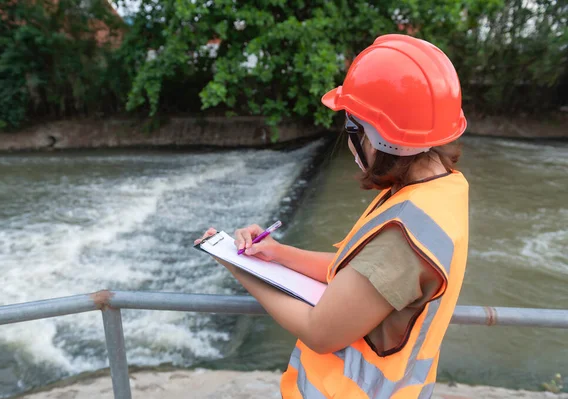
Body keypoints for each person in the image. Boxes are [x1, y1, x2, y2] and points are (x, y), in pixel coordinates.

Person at [195, 34, 469, 399]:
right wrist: (276, 253)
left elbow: (320, 331)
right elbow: (356, 273)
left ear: (375, 136)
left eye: (351, 126)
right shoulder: (437, 190)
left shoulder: (402, 236)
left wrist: (235, 264)